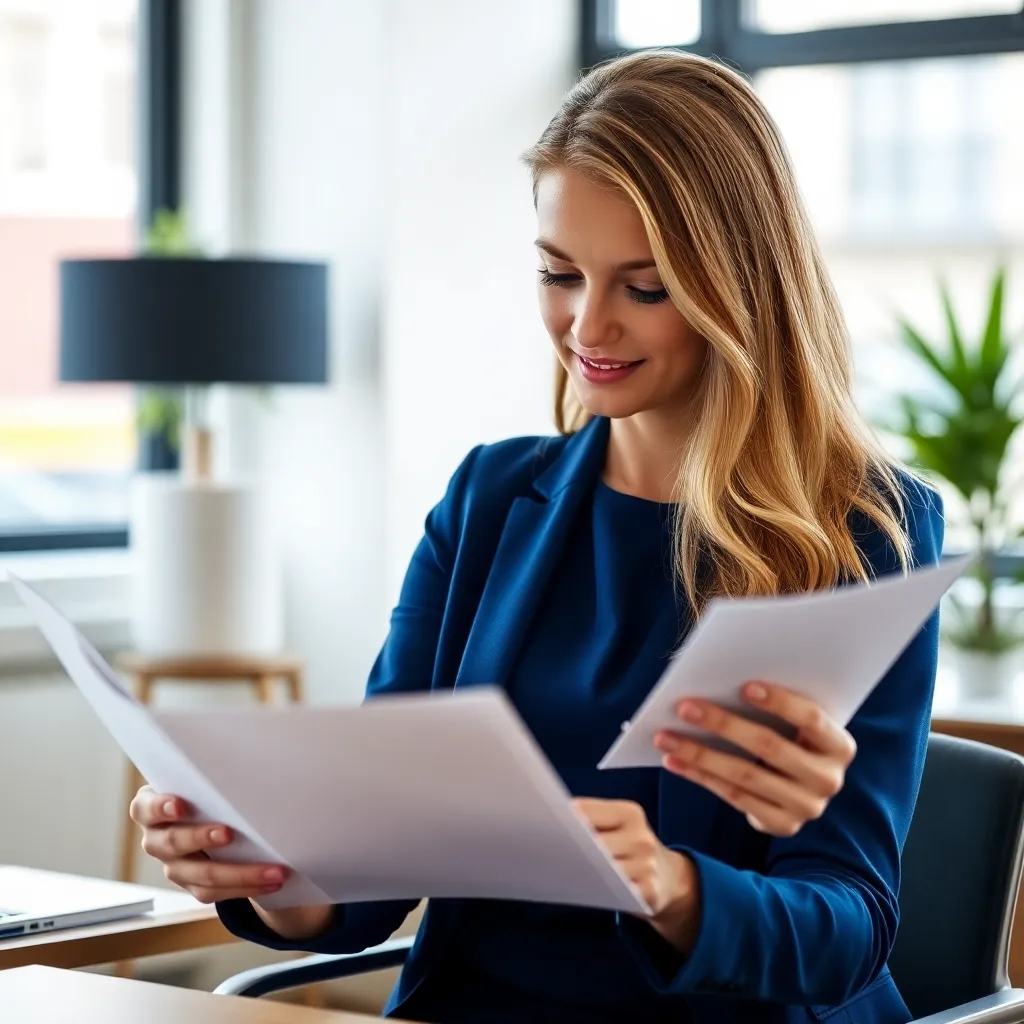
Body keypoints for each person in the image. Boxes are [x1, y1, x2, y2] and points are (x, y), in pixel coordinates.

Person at [130, 49, 944, 1024]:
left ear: (740, 287)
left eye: (645, 288)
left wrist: (674, 887)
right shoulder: (488, 498)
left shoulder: (859, 532)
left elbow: (848, 928)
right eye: (559, 274)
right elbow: (372, 859)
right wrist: (260, 865)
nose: (586, 326)